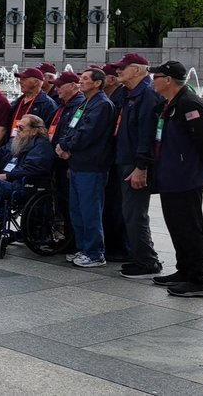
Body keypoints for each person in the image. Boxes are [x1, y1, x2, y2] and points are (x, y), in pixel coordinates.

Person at [148, 60, 203, 297]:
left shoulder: (189, 103)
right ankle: (184, 271)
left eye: (156, 77)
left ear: (168, 80)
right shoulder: (171, 103)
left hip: (186, 177)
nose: (152, 81)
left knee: (189, 228)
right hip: (172, 175)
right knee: (177, 226)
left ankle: (199, 280)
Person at [56, 67, 116, 268]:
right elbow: (72, 127)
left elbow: (88, 133)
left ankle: (95, 253)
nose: (80, 81)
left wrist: (66, 147)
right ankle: (83, 248)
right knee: (77, 210)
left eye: (85, 78)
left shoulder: (102, 105)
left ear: (97, 83)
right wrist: (63, 144)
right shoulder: (85, 103)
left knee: (90, 210)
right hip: (77, 164)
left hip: (92, 165)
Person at [112, 52, 164, 279]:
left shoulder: (147, 94)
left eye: (122, 68)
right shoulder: (127, 92)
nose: (118, 71)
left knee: (135, 214)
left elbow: (147, 135)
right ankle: (140, 256)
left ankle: (147, 262)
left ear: (137, 70)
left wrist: (141, 166)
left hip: (135, 163)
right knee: (129, 213)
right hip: (124, 159)